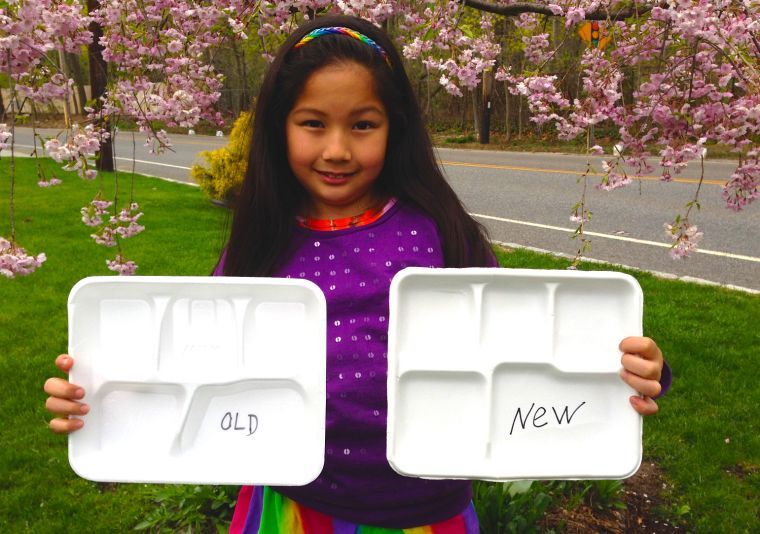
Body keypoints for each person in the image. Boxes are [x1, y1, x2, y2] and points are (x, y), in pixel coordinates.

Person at [44, 14, 670, 534]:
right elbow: (192, 361)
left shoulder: (437, 232)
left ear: (393, 130)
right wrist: (98, 394)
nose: (337, 149)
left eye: (362, 125)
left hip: (428, 516)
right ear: (277, 128)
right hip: (294, 509)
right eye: (313, 123)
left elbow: (526, 338)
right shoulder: (259, 243)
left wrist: (631, 372)